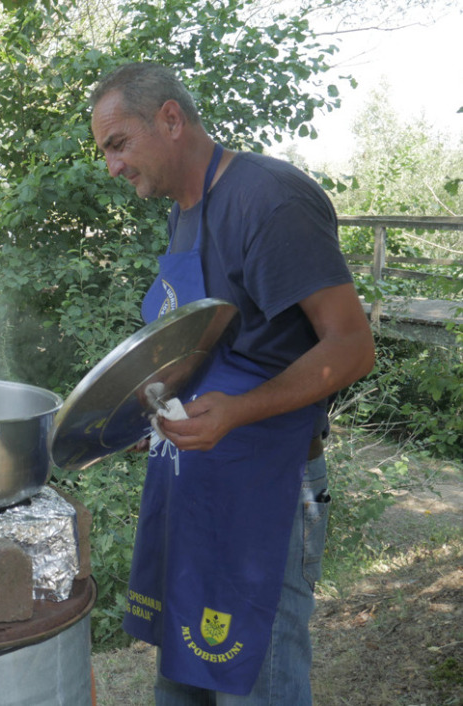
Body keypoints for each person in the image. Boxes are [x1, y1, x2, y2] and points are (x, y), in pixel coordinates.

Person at [89, 63, 375, 704]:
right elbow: (209, 349)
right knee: (186, 681)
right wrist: (153, 415)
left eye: (118, 144)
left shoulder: (268, 199)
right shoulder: (183, 214)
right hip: (197, 483)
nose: (112, 166)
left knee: (256, 684)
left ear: (170, 118)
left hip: (267, 493)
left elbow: (352, 347)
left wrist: (238, 412)